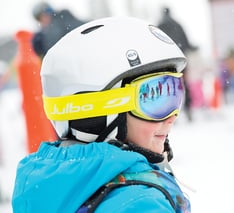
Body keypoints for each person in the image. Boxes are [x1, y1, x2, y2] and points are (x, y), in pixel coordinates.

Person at [12, 17, 191, 212]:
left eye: (174, 92)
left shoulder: (46, 183)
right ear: (98, 111)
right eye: (154, 96)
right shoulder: (140, 204)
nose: (172, 116)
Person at [158, 7, 198, 122]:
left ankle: (167, 113)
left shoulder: (159, 26)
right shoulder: (178, 25)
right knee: (185, 85)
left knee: (168, 87)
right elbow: (187, 42)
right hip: (181, 60)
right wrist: (192, 48)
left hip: (166, 63)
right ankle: (189, 110)